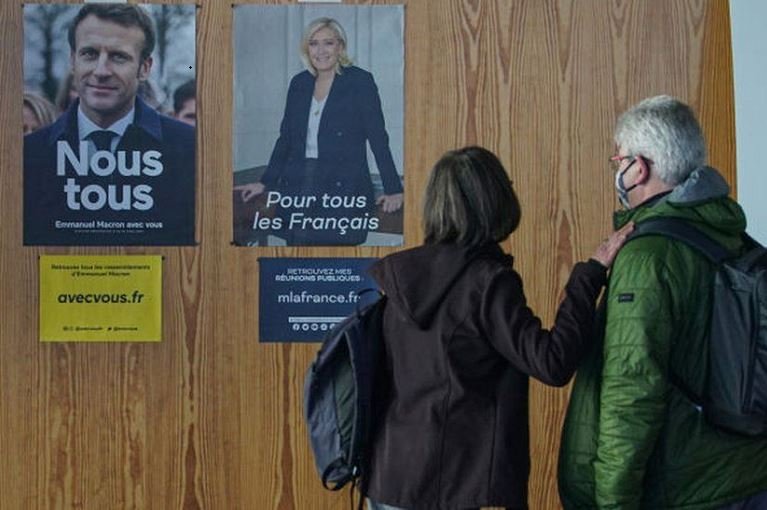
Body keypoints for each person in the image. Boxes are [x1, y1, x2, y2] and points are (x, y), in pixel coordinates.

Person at [364, 146, 633, 510]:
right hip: (458, 484)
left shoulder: (398, 280)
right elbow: (552, 362)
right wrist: (590, 275)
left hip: (390, 480)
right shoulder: (486, 282)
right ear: (494, 200)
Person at [558, 96, 767, 509]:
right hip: (749, 475)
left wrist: (613, 503)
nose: (617, 172)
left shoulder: (647, 257)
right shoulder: (731, 236)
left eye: (618, 161)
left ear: (640, 167)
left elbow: (631, 392)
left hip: (687, 490)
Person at [23, 4, 195, 246]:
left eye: (118, 56)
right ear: (73, 61)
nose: (101, 71)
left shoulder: (189, 151)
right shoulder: (28, 156)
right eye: (90, 54)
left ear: (144, 68)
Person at [235, 17, 404, 245]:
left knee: (334, 257)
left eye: (328, 43)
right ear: (307, 49)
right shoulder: (299, 83)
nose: (321, 51)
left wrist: (394, 188)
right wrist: (265, 182)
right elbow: (286, 140)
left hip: (342, 188)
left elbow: (378, 138)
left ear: (340, 46)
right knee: (298, 251)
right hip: (299, 183)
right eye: (314, 43)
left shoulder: (359, 81)